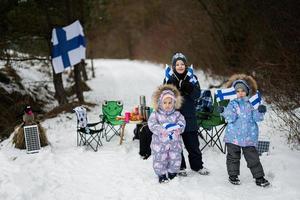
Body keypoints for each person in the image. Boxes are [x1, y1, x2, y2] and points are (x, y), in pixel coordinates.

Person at [216, 74, 270, 187]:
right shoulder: (232, 104)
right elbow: (230, 117)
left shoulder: (251, 104)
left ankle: (259, 177)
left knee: (253, 157)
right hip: (233, 136)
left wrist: (260, 111)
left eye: (243, 91)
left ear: (247, 92)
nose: (240, 93)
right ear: (234, 93)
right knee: (233, 157)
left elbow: (257, 118)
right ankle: (233, 175)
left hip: (249, 136)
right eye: (237, 91)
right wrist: (224, 111)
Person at [164, 52, 209, 176]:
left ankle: (197, 166)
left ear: (186, 65)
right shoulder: (169, 78)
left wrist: (189, 88)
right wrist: (173, 88)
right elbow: (164, 97)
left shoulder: (192, 77)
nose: (180, 66)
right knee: (176, 145)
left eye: (182, 64)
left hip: (189, 116)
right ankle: (180, 167)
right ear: (173, 66)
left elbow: (197, 95)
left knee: (193, 144)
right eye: (177, 64)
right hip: (174, 117)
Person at [148, 84, 186, 183]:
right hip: (159, 143)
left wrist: (179, 128)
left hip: (174, 143)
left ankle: (173, 173)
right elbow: (152, 124)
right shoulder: (155, 114)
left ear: (174, 102)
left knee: (175, 158)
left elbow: (182, 123)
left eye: (170, 102)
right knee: (160, 159)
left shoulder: (177, 114)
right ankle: (161, 175)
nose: (167, 105)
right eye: (165, 102)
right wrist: (160, 130)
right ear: (160, 103)